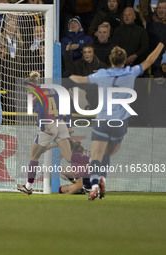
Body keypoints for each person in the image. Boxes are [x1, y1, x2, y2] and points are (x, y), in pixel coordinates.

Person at [70, 41, 164, 200]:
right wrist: (161, 44)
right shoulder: (131, 72)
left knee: (95, 156)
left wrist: (70, 76)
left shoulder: (101, 74)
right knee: (106, 154)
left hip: (103, 120)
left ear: (110, 59)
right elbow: (149, 61)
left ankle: (94, 186)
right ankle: (102, 180)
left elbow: (80, 80)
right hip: (120, 124)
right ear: (125, 59)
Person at [16, 71, 74, 195]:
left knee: (34, 156)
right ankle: (85, 178)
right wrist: (69, 124)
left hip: (48, 125)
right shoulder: (52, 90)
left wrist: (43, 127)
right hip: (61, 123)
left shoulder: (35, 95)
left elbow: (42, 111)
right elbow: (66, 104)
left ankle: (28, 187)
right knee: (69, 158)